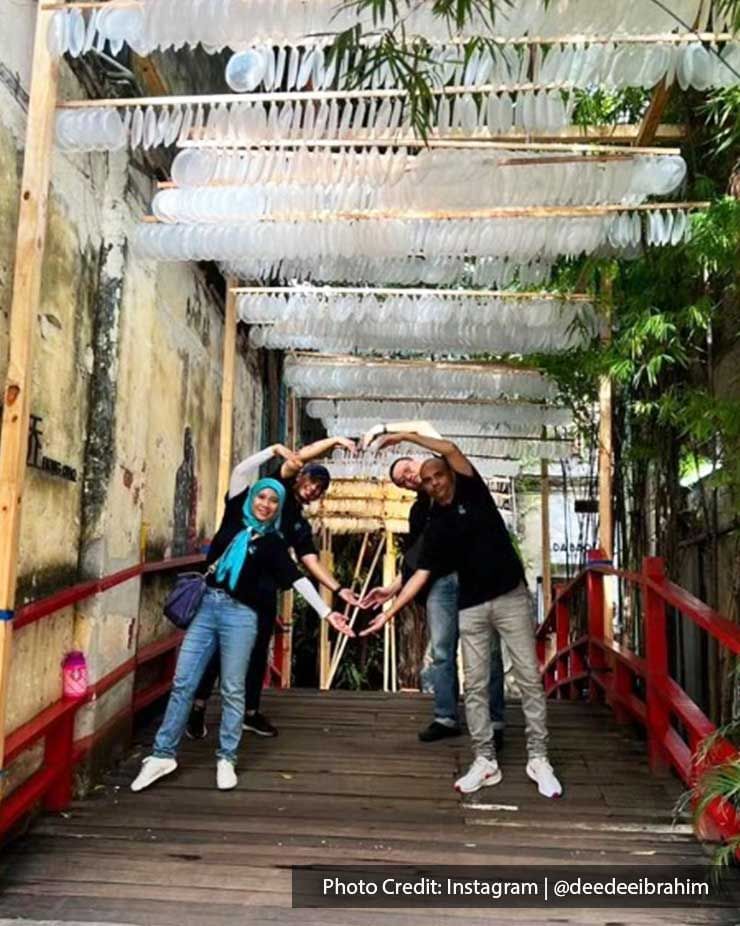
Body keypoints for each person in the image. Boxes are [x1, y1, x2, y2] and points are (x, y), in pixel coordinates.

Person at [361, 432, 562, 800]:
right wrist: (388, 611)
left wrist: (402, 434)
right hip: (471, 605)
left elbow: (450, 449)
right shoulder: (433, 520)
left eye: (436, 474)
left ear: (449, 474)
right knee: (474, 685)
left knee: (529, 677)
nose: (432, 482)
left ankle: (539, 757)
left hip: (510, 597)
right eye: (426, 480)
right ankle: (484, 759)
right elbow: (421, 572)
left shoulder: (473, 490)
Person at [131, 475, 355, 793]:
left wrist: (327, 611)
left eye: (273, 500)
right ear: (252, 498)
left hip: (241, 616)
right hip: (207, 608)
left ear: (279, 507)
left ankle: (226, 757)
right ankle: (162, 754)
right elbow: (240, 473)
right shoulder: (234, 517)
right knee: (183, 682)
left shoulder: (274, 543)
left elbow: (297, 578)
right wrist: (275, 451)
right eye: (261, 497)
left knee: (234, 689)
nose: (265, 504)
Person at [187, 437, 361, 740]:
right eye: (312, 481)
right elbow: (291, 459)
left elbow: (306, 564)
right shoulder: (268, 492)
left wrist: (339, 589)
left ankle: (249, 714)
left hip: (263, 591)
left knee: (257, 651)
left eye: (320, 489)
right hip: (225, 587)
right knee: (214, 649)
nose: (313, 489)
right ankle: (197, 706)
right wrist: (334, 440)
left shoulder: (298, 524)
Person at [361, 421, 506, 749]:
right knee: (442, 650)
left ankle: (495, 719)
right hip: (439, 583)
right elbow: (420, 561)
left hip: (475, 577)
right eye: (402, 479)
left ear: (423, 462)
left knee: (488, 650)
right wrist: (393, 588)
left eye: (409, 468)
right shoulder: (418, 512)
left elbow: (434, 435)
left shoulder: (457, 480)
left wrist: (393, 431)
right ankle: (446, 717)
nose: (409, 476)